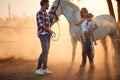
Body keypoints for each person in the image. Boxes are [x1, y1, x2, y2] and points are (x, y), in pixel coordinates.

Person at [35, 0, 58, 75]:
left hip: (47, 34)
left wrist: (55, 21)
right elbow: (41, 25)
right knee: (45, 51)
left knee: (47, 52)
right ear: (44, 4)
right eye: (48, 4)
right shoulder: (40, 12)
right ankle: (38, 69)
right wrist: (50, 31)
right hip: (43, 34)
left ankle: (44, 68)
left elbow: (49, 25)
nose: (48, 5)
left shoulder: (46, 14)